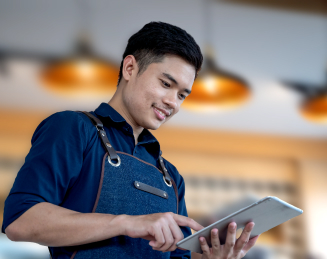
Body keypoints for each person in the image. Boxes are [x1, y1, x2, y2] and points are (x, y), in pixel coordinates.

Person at [2, 21, 258, 259]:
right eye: (166, 84)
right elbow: (21, 220)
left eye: (182, 95)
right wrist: (127, 223)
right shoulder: (74, 129)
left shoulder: (170, 176)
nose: (173, 103)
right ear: (130, 68)